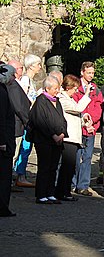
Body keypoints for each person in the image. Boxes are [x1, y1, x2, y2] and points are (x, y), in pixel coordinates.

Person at [29, 76, 67, 204]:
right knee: (44, 167)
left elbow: (62, 118)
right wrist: (53, 135)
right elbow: (40, 121)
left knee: (53, 167)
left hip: (57, 140)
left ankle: (50, 192)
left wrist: (62, 133)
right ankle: (41, 194)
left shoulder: (57, 101)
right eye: (55, 88)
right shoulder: (41, 101)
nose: (57, 91)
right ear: (47, 88)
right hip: (44, 140)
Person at [56, 74, 91, 202]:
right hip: (68, 138)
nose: (76, 91)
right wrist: (86, 94)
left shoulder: (69, 99)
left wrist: (84, 120)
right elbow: (77, 109)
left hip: (74, 137)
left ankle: (64, 191)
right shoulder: (62, 98)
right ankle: (62, 191)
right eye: (75, 88)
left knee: (70, 167)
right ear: (69, 87)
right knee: (67, 166)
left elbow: (75, 115)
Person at [72, 61, 103, 196]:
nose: (91, 75)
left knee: (87, 157)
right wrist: (84, 119)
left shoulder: (95, 89)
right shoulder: (76, 88)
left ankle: (83, 185)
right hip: (78, 128)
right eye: (89, 72)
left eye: (93, 73)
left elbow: (99, 107)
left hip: (90, 129)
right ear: (82, 72)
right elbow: (75, 106)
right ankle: (72, 183)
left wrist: (92, 121)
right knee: (75, 157)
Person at [13, 54, 42, 187]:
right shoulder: (25, 80)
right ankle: (19, 175)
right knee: (24, 147)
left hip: (30, 118)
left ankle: (20, 174)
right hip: (26, 119)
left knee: (26, 147)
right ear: (31, 66)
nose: (40, 67)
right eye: (38, 65)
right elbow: (22, 100)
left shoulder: (31, 81)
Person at [5, 61, 30, 193]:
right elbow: (19, 107)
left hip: (15, 125)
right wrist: (27, 121)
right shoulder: (12, 85)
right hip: (15, 126)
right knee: (12, 155)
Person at [0, 64, 17, 216]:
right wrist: (2, 142)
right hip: (3, 143)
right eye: (12, 76)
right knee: (4, 178)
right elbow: (1, 119)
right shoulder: (2, 92)